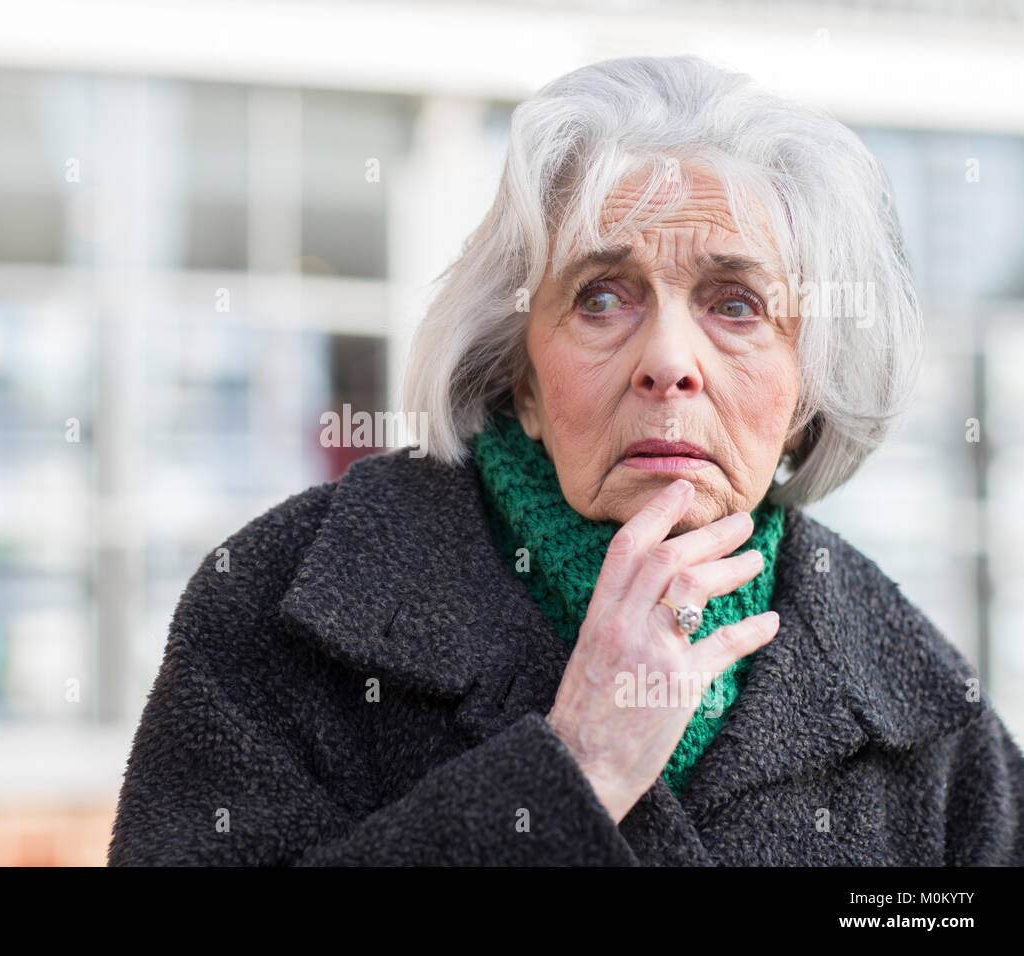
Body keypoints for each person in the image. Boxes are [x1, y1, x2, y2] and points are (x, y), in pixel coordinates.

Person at [108, 55, 1024, 865]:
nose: (669, 361)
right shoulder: (281, 609)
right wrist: (577, 763)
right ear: (524, 380)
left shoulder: (923, 714)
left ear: (805, 395)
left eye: (737, 306)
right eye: (601, 298)